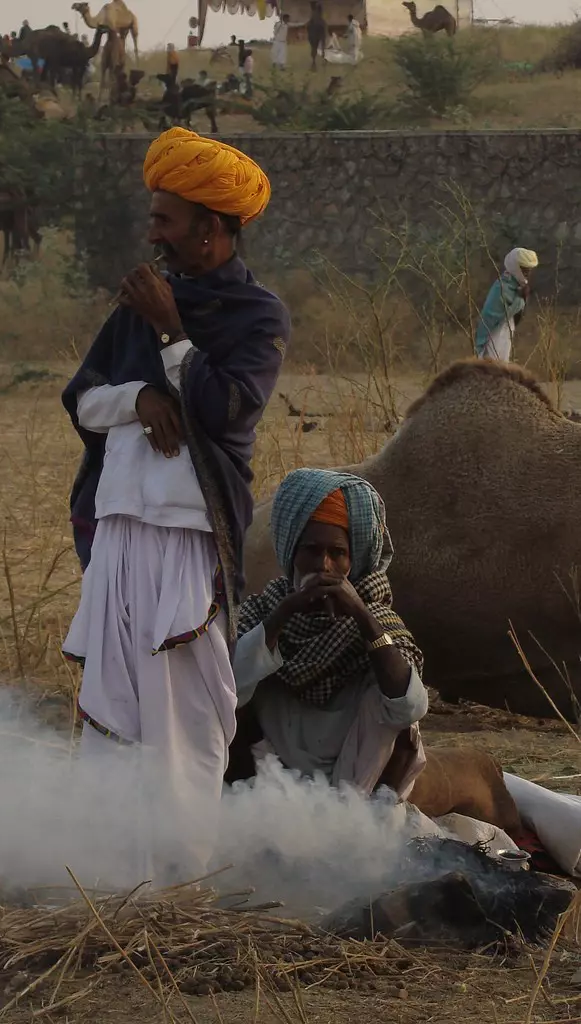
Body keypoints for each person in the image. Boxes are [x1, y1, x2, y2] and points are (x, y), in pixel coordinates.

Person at [61, 127, 290, 882]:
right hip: (122, 526)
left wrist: (169, 330)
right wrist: (140, 397)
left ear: (210, 229)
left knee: (187, 708)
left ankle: (182, 876)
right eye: (153, 217)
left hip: (190, 535)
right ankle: (107, 872)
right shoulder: (136, 304)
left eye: (164, 219)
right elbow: (83, 401)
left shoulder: (257, 316)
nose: (152, 232)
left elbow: (226, 410)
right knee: (112, 703)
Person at [226, 469, 428, 799]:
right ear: (292, 552)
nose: (323, 565)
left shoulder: (377, 617)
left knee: (401, 703)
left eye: (337, 553)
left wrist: (361, 615)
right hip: (267, 785)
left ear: (355, 560)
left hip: (352, 789)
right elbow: (226, 688)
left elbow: (410, 707)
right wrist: (285, 614)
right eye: (311, 550)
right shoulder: (266, 610)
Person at [476, 248, 539, 362]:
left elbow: (517, 318)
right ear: (516, 268)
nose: (527, 274)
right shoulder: (501, 287)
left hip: (507, 330)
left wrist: (523, 297)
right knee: (492, 366)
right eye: (524, 270)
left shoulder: (518, 286)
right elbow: (498, 315)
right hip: (494, 333)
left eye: (529, 270)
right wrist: (520, 299)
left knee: (503, 366)